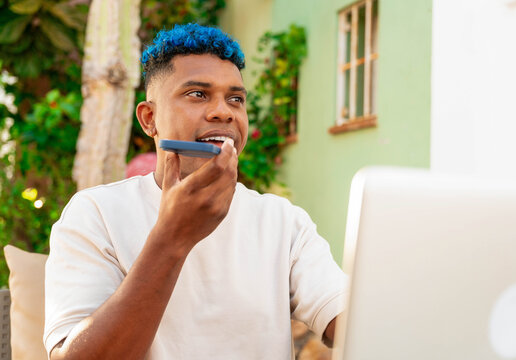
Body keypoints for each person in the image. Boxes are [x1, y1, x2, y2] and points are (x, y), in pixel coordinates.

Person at [44, 23, 347, 360]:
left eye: (236, 99)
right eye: (198, 94)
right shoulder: (96, 213)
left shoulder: (282, 221)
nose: (224, 111)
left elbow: (347, 321)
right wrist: (172, 238)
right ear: (149, 119)